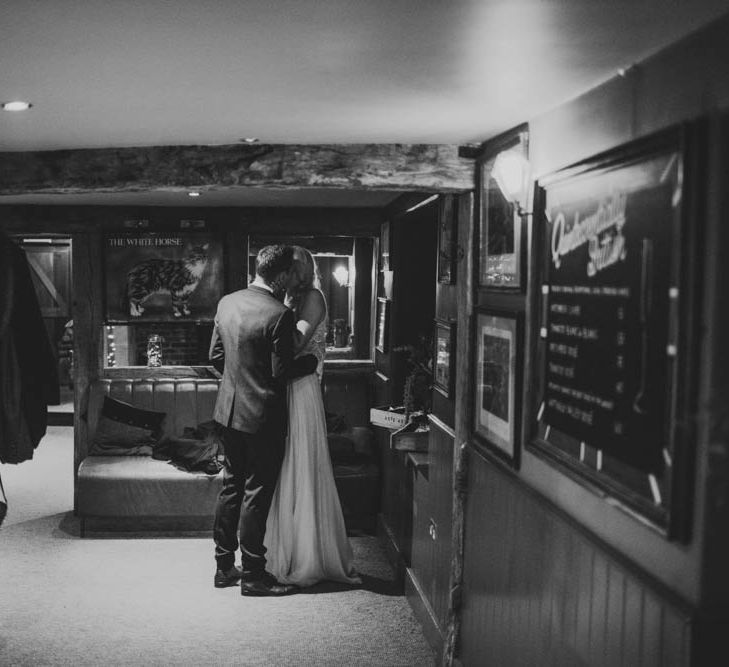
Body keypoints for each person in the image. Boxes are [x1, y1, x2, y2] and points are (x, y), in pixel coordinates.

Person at [209, 244, 318, 596]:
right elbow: (282, 370)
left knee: (231, 488)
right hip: (263, 419)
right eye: (290, 274)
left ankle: (224, 567)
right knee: (256, 494)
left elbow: (215, 356)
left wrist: (237, 381)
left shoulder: (227, 302)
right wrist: (311, 364)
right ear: (282, 275)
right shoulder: (278, 314)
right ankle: (254, 575)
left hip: (227, 414)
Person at [264, 246, 360, 587]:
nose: (290, 273)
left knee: (300, 464)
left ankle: (305, 552)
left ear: (304, 270)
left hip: (302, 389)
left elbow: (294, 342)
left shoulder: (314, 298)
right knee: (282, 464)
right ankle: (280, 547)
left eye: (295, 267)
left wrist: (265, 322)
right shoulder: (286, 300)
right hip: (285, 387)